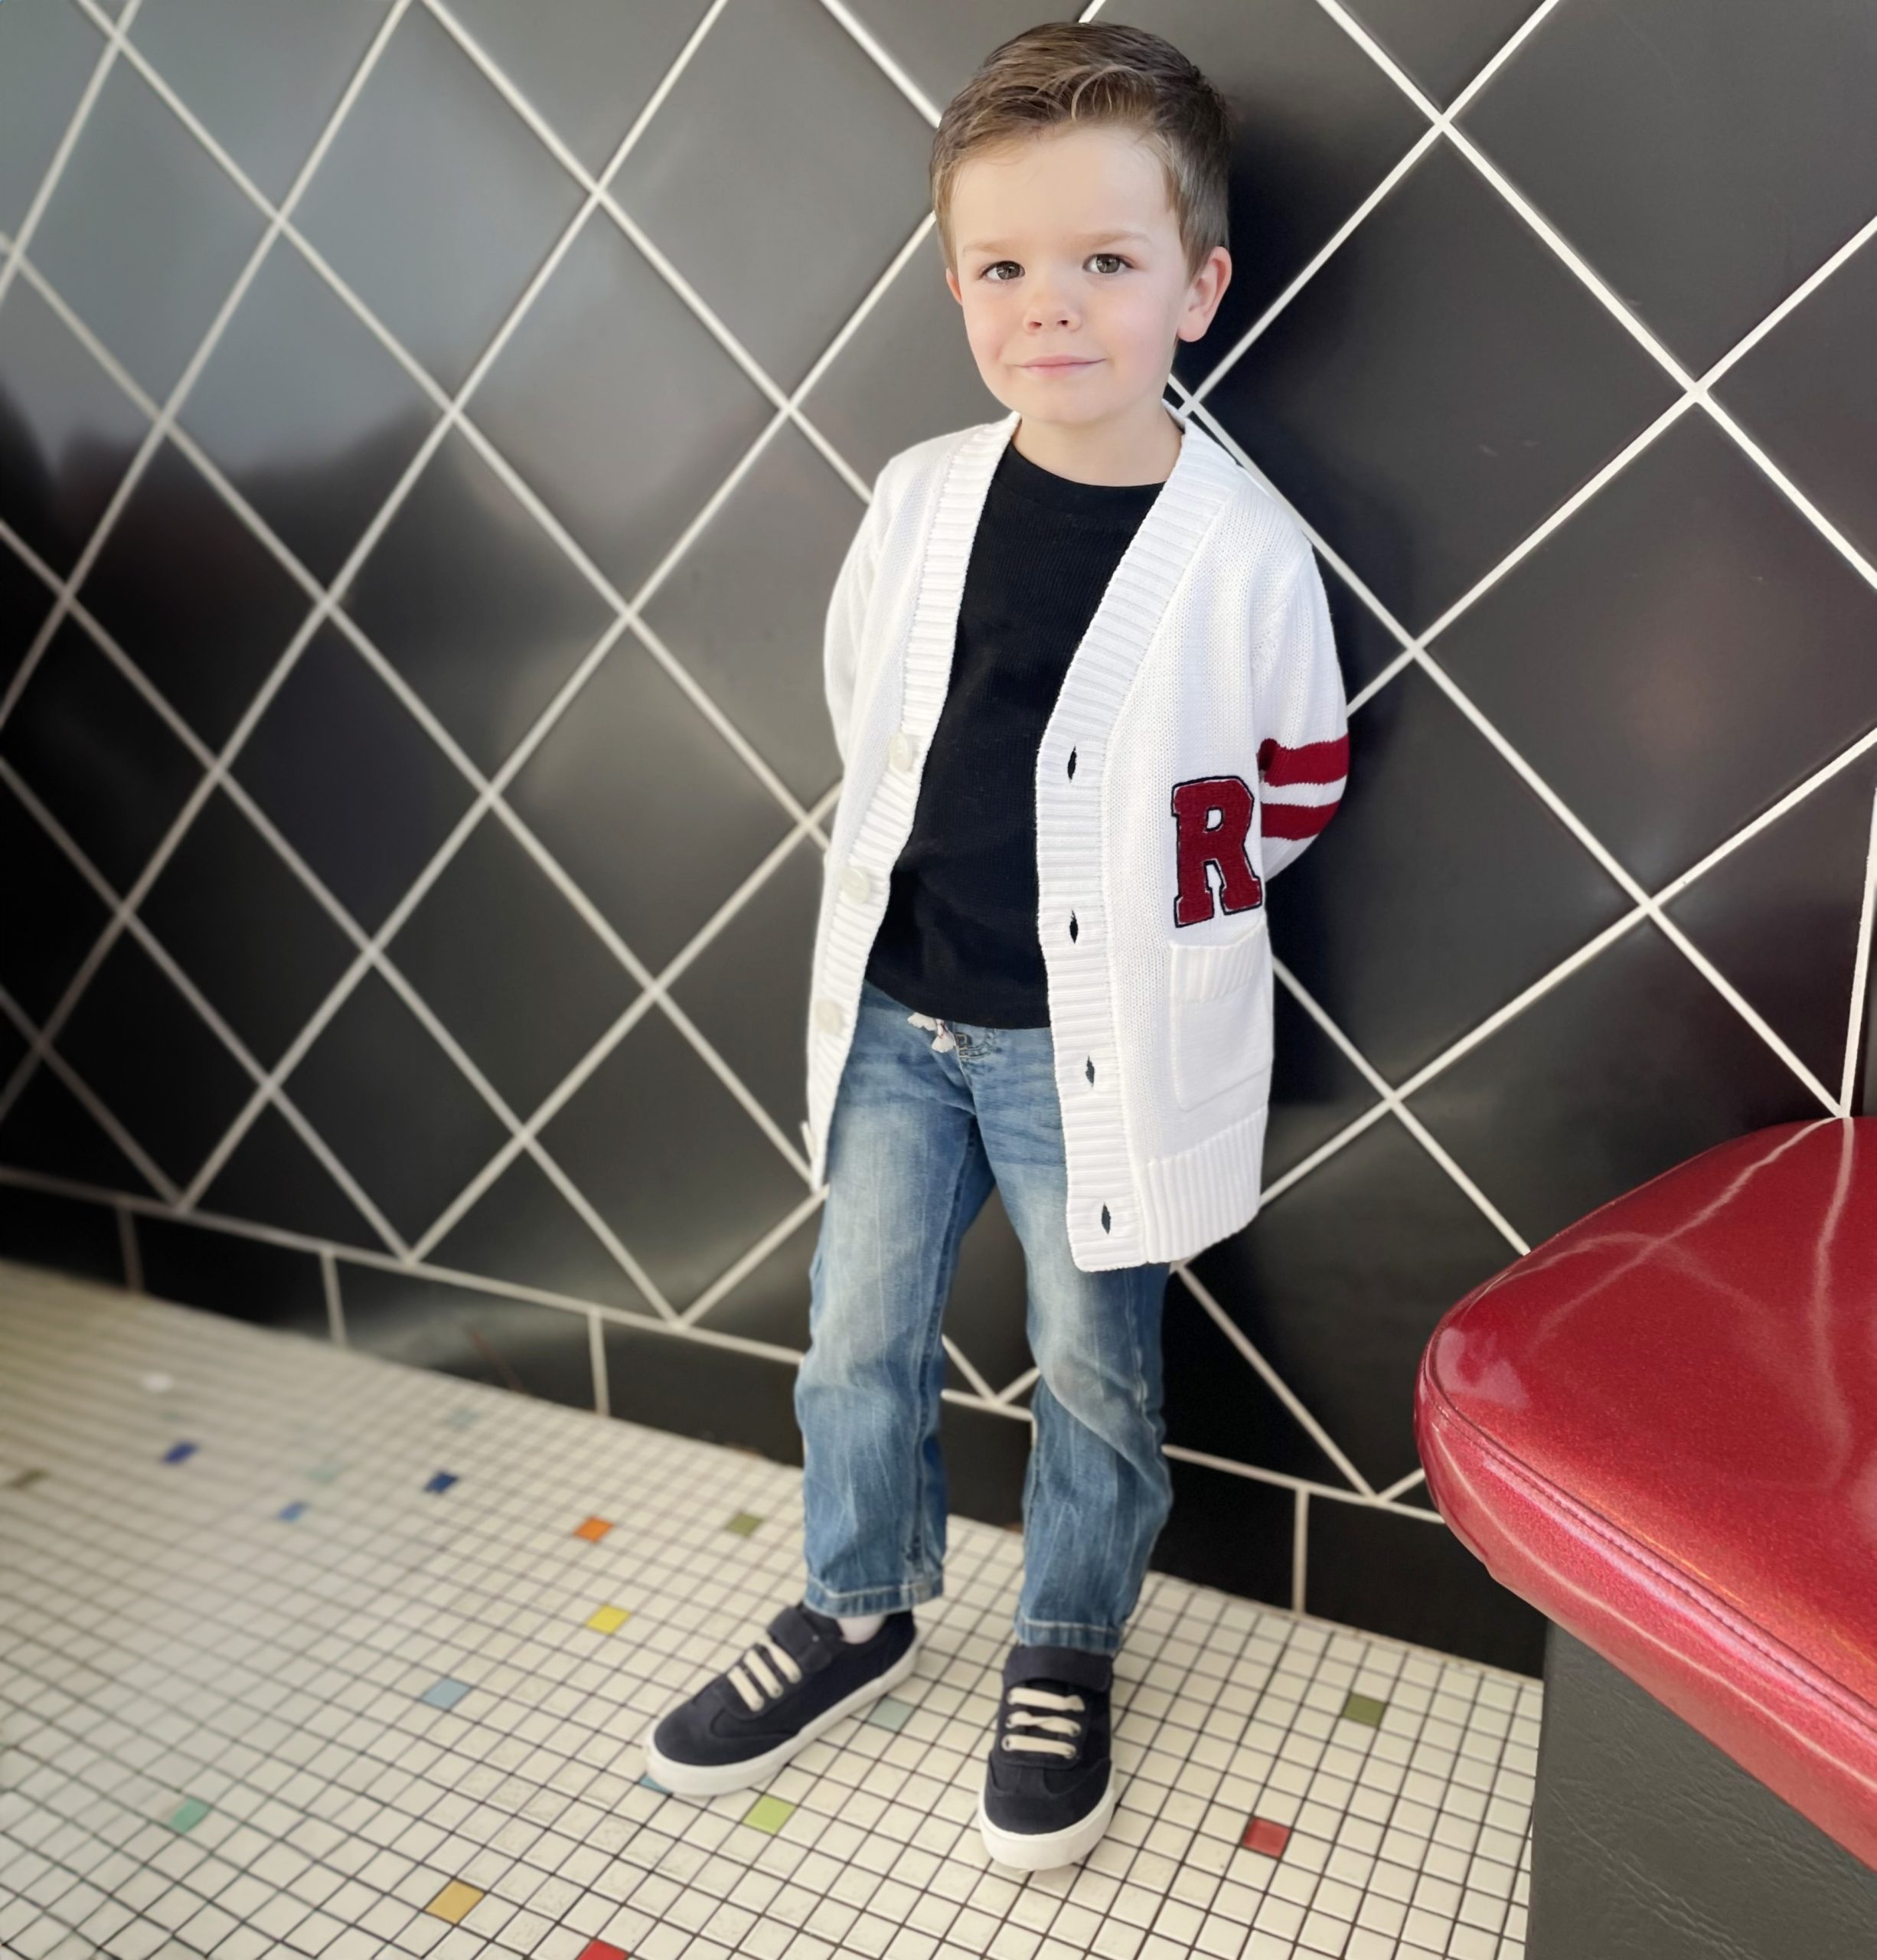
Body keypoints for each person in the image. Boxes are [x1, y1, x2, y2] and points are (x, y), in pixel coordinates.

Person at [644, 19, 1348, 1872]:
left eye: (1105, 263)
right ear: (956, 279)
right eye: (1003, 265)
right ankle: (855, 1596)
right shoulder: (918, 495)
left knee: (1091, 1357)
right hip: (899, 1007)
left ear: (1197, 286)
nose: (1051, 307)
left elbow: (1293, 776)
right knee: (850, 1328)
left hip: (1078, 1048)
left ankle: (1063, 1629)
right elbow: (859, 704)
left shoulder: (1244, 557)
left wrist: (1135, 918)